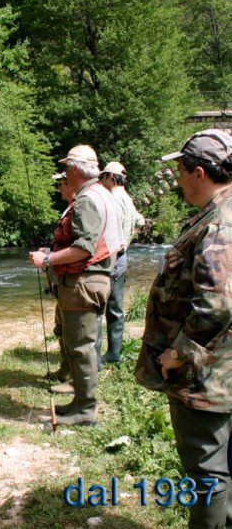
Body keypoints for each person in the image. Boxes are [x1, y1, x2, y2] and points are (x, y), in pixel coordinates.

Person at [135, 129, 232, 528]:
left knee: (207, 469)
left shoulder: (219, 224)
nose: (176, 179)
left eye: (179, 170)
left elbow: (219, 302)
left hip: (209, 374)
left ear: (198, 172)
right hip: (221, 367)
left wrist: (178, 352)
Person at [30, 145, 122, 426]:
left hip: (83, 282)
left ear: (73, 169)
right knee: (83, 345)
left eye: (66, 169)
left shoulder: (86, 200)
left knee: (81, 347)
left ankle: (85, 409)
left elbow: (84, 248)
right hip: (92, 280)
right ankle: (81, 403)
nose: (64, 177)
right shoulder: (101, 194)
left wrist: (47, 258)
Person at [97, 161, 145, 364]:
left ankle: (97, 355)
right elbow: (140, 222)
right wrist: (129, 236)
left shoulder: (112, 198)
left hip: (111, 257)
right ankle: (114, 353)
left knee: (98, 306)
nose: (101, 181)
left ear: (110, 177)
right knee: (115, 308)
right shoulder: (127, 198)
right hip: (123, 256)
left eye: (103, 177)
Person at [45, 171, 75, 392]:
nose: (59, 189)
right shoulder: (72, 207)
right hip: (62, 279)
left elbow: (82, 247)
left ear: (70, 184)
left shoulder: (82, 207)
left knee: (74, 333)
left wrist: (48, 257)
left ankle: (75, 380)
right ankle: (65, 370)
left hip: (73, 280)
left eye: (61, 185)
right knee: (61, 327)